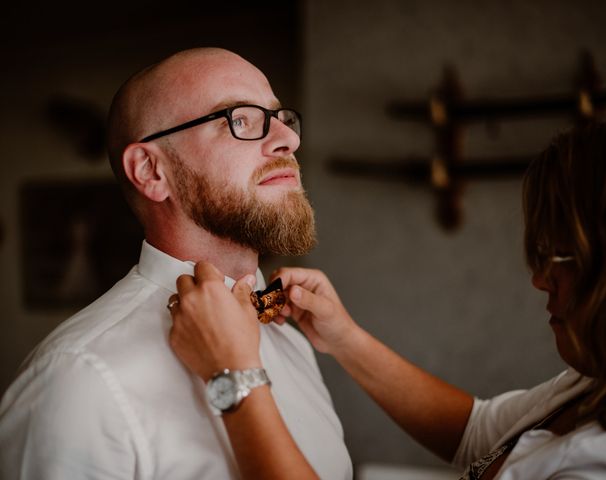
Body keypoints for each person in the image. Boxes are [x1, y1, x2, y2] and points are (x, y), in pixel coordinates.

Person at [167, 115, 606, 479]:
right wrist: (344, 339)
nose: (539, 280)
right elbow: (482, 434)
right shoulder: (598, 382)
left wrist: (234, 373)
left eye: (559, 257)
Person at [0, 48, 352, 480]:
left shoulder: (291, 340)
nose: (289, 140)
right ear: (150, 171)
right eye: (238, 119)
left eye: (282, 118)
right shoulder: (77, 382)